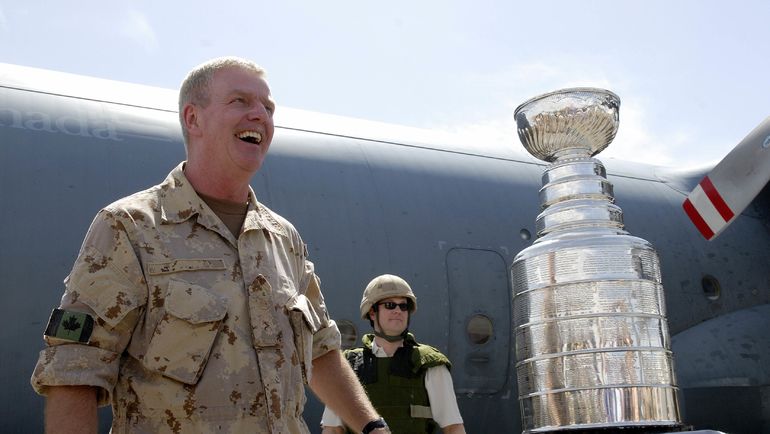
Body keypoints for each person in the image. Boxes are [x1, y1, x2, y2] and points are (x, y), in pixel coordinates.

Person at [30, 56, 390, 434]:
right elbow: (74, 368)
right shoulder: (130, 227)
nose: (260, 115)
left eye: (267, 108)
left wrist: (372, 427)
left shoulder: (284, 239)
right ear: (193, 118)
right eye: (240, 101)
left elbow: (321, 350)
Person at [321, 274, 466, 434]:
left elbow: (453, 428)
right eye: (390, 305)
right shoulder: (349, 365)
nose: (398, 311)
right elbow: (333, 429)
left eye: (403, 306)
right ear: (372, 312)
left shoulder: (429, 364)